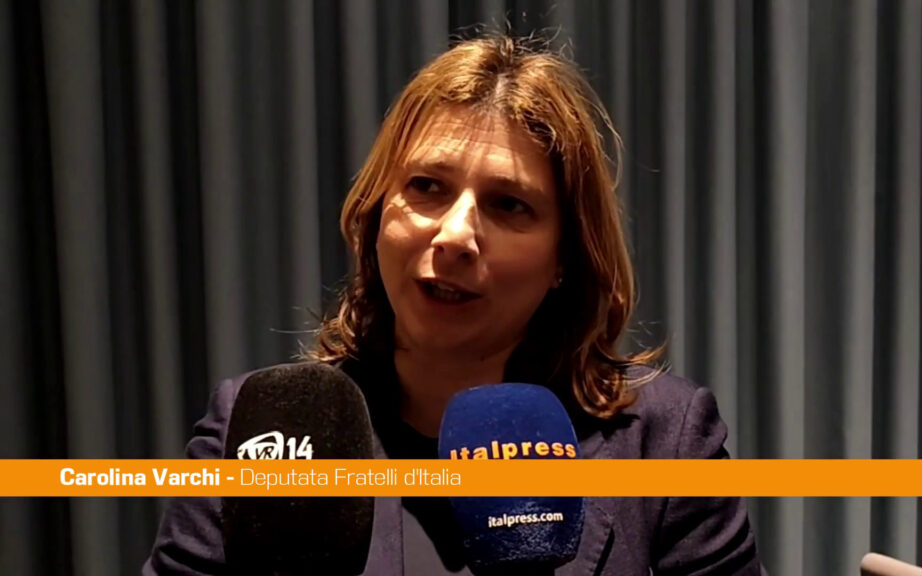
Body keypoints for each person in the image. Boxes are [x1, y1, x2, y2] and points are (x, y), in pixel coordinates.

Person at [144, 35, 764, 575]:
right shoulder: (257, 430)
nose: (455, 235)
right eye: (427, 187)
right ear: (376, 214)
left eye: (508, 204)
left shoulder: (667, 441)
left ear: (564, 258)